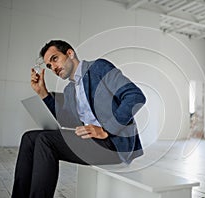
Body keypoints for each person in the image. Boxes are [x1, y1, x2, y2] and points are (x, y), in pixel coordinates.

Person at [12, 40, 146, 198]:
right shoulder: (70, 90)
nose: (53, 68)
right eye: (49, 66)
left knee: (44, 140)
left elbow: (135, 96)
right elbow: (66, 120)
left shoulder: (98, 68)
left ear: (69, 53)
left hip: (114, 144)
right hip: (92, 141)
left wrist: (106, 129)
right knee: (29, 137)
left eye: (55, 59)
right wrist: (43, 93)